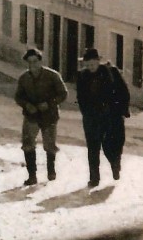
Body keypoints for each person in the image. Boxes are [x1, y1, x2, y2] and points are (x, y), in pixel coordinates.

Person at [76, 48, 131, 188]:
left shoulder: (111, 73)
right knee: (93, 148)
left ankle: (115, 164)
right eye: (87, 65)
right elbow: (81, 98)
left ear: (98, 62)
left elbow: (123, 92)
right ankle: (94, 178)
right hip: (92, 117)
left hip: (112, 115)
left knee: (110, 145)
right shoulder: (82, 76)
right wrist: (87, 114)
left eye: (92, 65)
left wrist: (122, 110)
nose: (90, 68)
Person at [15, 48, 68, 185]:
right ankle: (32, 176)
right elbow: (18, 97)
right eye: (29, 62)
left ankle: (51, 172)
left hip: (49, 116)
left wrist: (50, 103)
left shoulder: (53, 76)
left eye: (35, 61)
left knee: (49, 145)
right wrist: (27, 105)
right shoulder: (24, 78)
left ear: (40, 61)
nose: (32, 65)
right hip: (31, 116)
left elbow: (63, 94)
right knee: (28, 144)